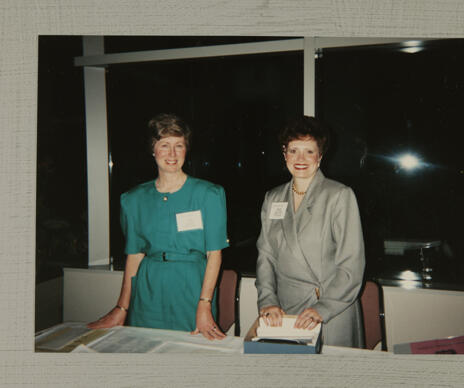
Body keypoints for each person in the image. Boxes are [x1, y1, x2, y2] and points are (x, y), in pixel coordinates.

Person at [88, 113, 229, 340]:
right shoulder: (132, 200)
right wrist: (121, 308)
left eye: (179, 146)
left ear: (186, 150)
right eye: (164, 145)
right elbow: (134, 256)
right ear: (153, 150)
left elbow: (215, 255)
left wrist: (204, 305)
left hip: (192, 289)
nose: (172, 154)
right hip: (148, 292)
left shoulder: (209, 194)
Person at [255, 116, 366, 348]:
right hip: (284, 312)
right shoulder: (273, 197)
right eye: (294, 150)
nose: (300, 159)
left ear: (320, 156)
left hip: (329, 309)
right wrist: (267, 300)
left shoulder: (339, 196)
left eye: (309, 151)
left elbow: (351, 265)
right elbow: (265, 256)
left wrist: (322, 308)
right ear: (284, 154)